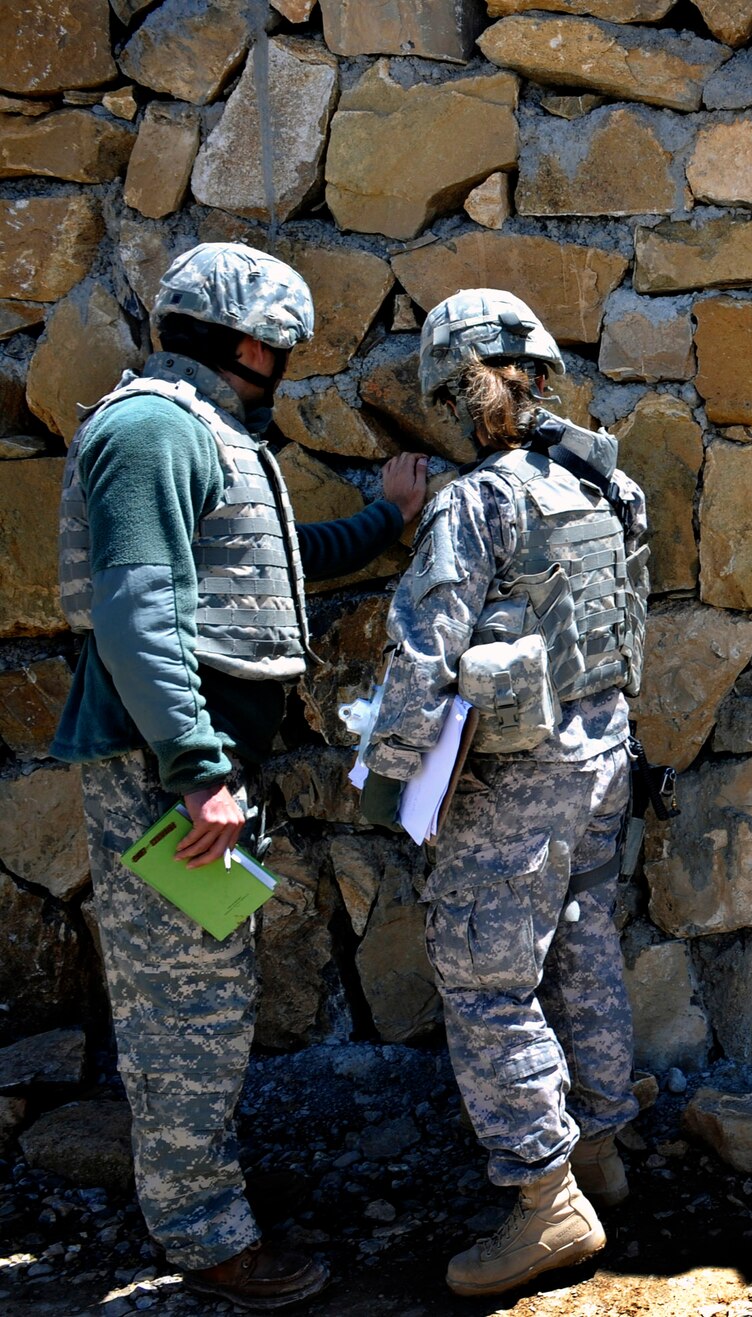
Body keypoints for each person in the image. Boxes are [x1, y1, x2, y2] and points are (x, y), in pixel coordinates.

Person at [51, 241, 428, 1311]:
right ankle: (204, 1235)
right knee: (186, 1016)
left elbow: (264, 561)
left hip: (191, 772)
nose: (284, 363)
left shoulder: (198, 431)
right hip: (164, 776)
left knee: (209, 996)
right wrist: (197, 768)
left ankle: (203, 1208)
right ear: (245, 337)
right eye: (279, 343)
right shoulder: (153, 429)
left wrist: (385, 522)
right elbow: (136, 611)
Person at [355, 289, 649, 1298]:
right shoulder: (606, 486)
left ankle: (546, 1203)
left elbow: (422, 652)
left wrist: (388, 773)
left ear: (461, 390)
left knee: (485, 981)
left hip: (514, 780)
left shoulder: (478, 501)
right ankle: (603, 1151)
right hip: (602, 756)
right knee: (582, 943)